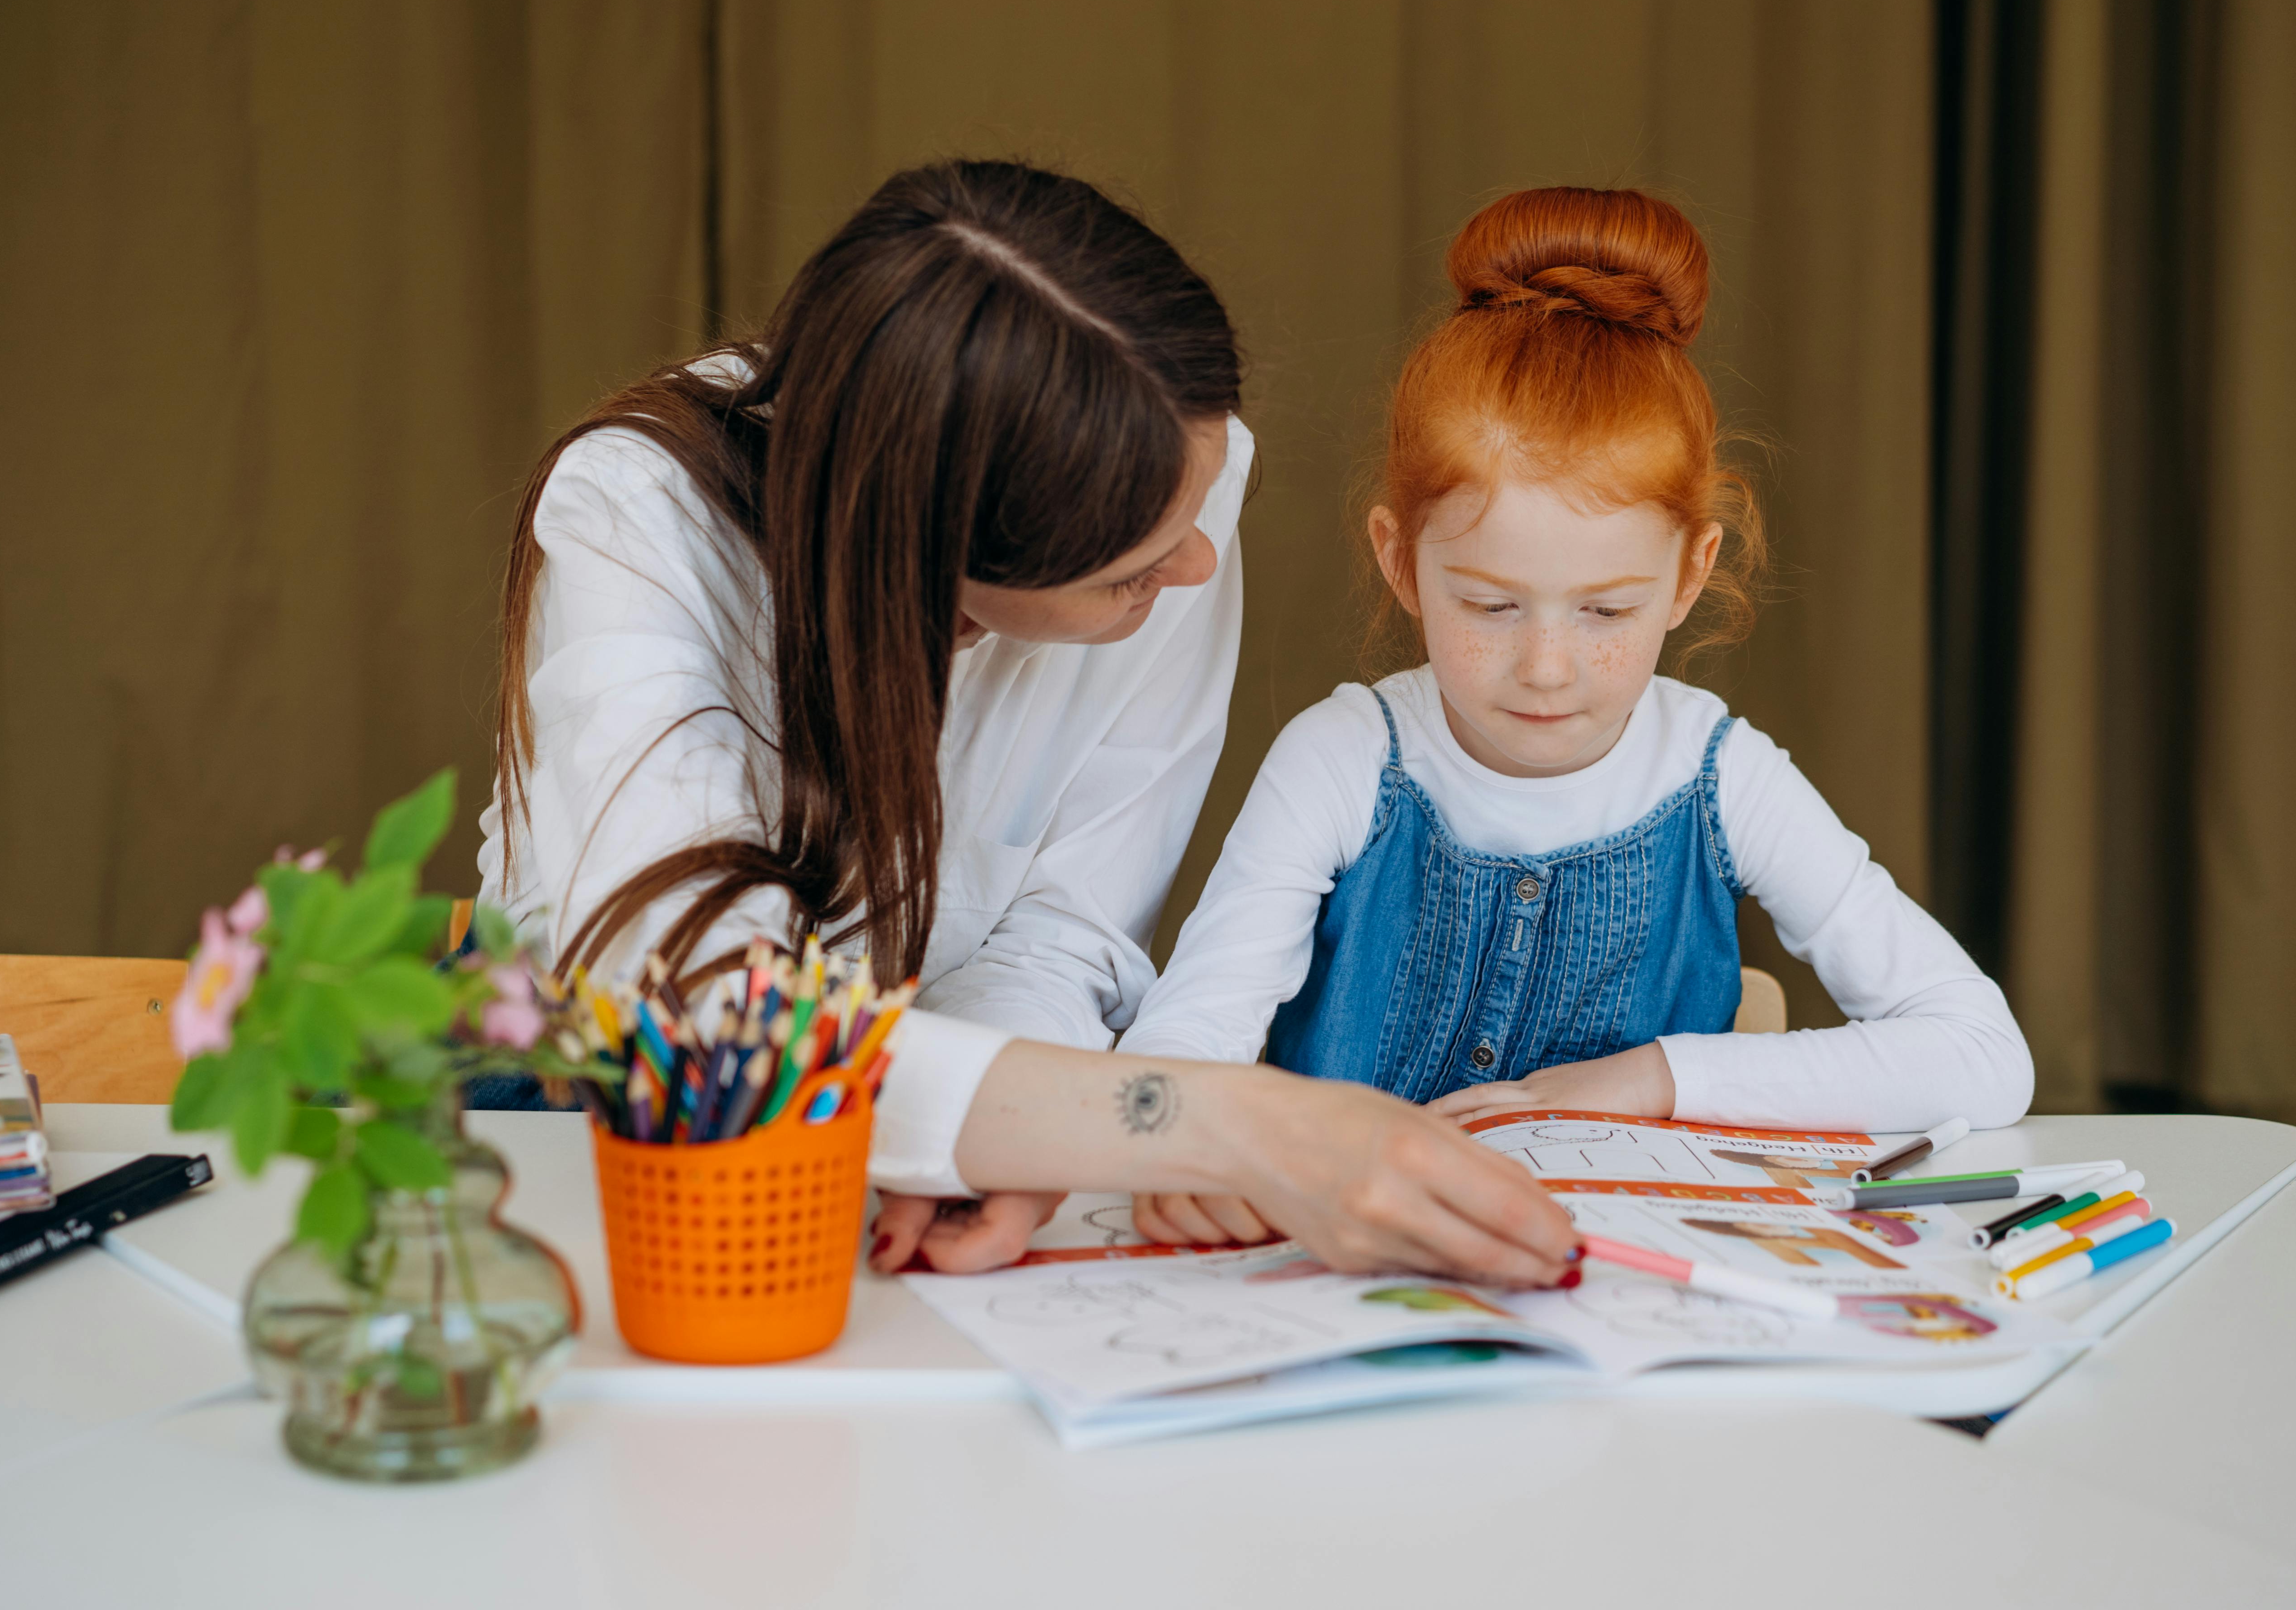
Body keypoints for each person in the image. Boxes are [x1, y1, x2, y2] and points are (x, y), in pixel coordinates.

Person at [479, 157, 1572, 1285]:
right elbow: (709, 1022)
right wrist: (1246, 1123)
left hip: (931, 1154)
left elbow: (1065, 928)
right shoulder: (641, 515)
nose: (1196, 565)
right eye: (1130, 579)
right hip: (587, 1136)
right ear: (933, 551)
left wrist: (1011, 1136)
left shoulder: (1169, 474)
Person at [1114, 186, 2032, 1248]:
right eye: (1491, 605)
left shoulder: (1724, 775)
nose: (1547, 667)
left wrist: (1646, 1079)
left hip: (1628, 1284)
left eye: (1606, 610)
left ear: (1691, 576)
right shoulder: (1343, 758)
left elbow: (1982, 1052)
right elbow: (1192, 1037)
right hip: (1346, 1271)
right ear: (1399, 559)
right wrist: (1182, 1136)